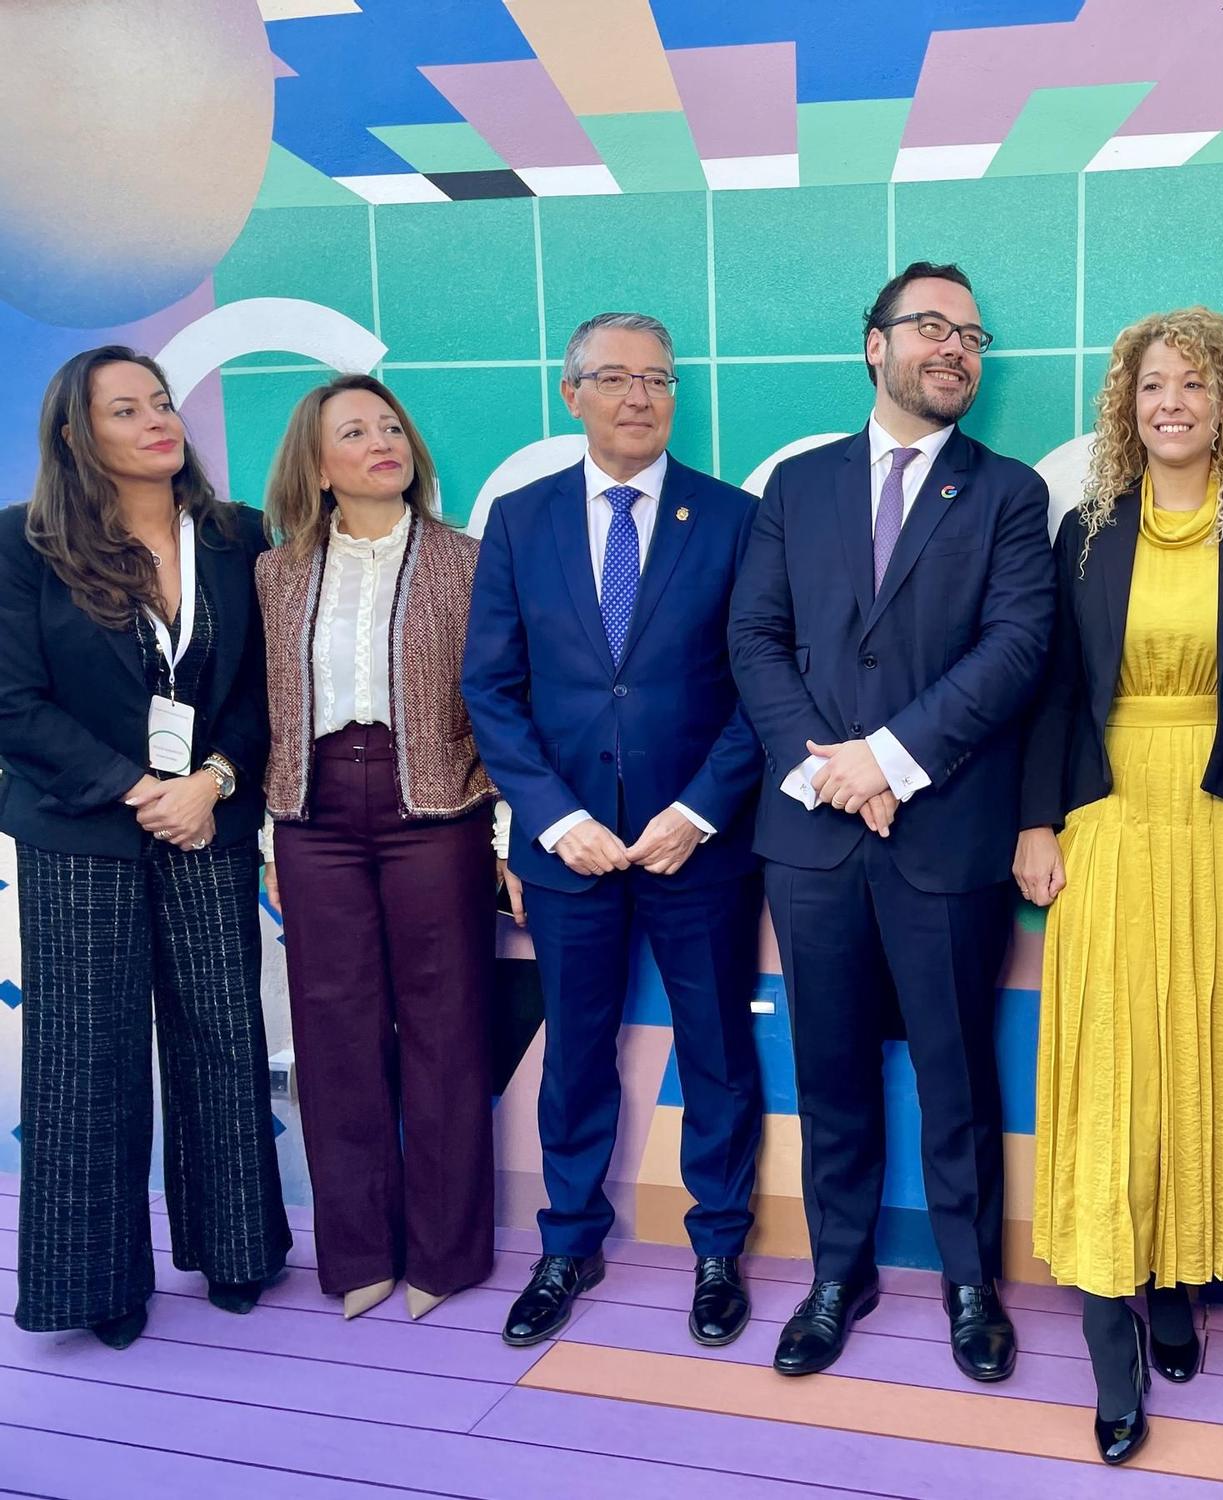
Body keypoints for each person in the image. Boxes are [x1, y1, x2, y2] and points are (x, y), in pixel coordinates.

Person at [729, 260, 1054, 1381]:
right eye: (932, 327)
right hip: (816, 838)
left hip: (944, 834)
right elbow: (754, 643)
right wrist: (831, 773)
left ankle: (971, 1285)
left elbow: (1012, 650)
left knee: (958, 1075)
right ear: (874, 345)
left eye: (972, 335)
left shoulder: (1010, 494)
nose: (956, 348)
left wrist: (891, 758)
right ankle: (839, 1274)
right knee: (827, 1071)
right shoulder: (797, 485)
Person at [1015, 307, 1223, 1463]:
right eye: (1148, 386)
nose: (1168, 402)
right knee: (1108, 1063)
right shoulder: (1083, 533)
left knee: (1197, 1056)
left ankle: (1176, 1278)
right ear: (1124, 408)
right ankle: (1106, 1321)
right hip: (1104, 816)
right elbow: (1047, 693)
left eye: (1192, 384)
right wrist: (1036, 820)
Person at [462, 312, 767, 1350]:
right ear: (571, 393)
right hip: (569, 852)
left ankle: (718, 1245)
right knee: (576, 1052)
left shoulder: (733, 520)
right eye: (614, 378)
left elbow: (761, 689)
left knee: (720, 1051)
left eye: (658, 378)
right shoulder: (521, 520)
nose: (639, 396)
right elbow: (491, 693)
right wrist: (554, 821)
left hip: (700, 845)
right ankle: (566, 1243)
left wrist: (696, 812)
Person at [0, 346, 290, 1347]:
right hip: (80, 830)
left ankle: (239, 1251)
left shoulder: (236, 535)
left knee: (221, 1034)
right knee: (88, 1055)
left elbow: (261, 692)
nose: (158, 421)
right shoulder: (20, 546)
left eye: (161, 402)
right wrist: (135, 788)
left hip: (208, 821)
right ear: (79, 436)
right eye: (127, 410)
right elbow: (11, 702)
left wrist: (209, 782)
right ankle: (96, 1286)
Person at [259, 374, 511, 1322]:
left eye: (391, 425)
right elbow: (267, 713)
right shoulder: (277, 573)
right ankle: (358, 1253)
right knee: (334, 1035)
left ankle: (446, 1258)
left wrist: (505, 830)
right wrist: (271, 828)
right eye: (355, 431)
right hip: (314, 815)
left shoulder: (471, 560)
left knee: (446, 1031)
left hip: (436, 809)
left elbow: (500, 700)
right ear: (318, 467)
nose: (381, 442)